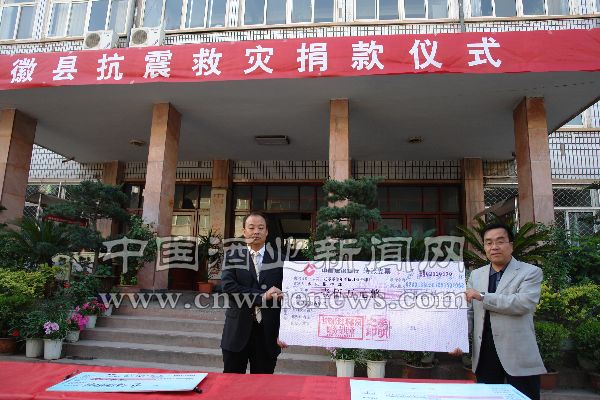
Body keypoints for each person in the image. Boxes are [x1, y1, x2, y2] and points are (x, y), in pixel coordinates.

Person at [452, 222, 546, 400]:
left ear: (511, 245)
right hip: (485, 352)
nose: (494, 247)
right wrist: (459, 338)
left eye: (500, 241)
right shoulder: (476, 275)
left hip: (517, 353)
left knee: (524, 397)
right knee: (487, 397)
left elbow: (523, 303)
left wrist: (483, 296)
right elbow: (469, 312)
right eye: (488, 242)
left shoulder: (530, 272)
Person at [220, 211, 287, 374]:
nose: (256, 231)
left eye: (260, 228)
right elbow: (229, 287)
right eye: (251, 227)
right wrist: (262, 296)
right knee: (232, 383)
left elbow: (288, 296)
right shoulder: (232, 257)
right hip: (237, 332)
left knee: (263, 384)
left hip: (267, 333)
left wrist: (286, 331)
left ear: (267, 232)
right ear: (244, 231)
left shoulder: (281, 260)